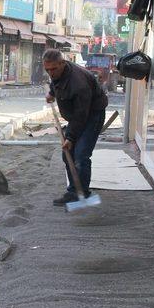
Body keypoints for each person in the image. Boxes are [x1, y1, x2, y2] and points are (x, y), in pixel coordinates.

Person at [43, 49, 108, 206]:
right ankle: (74, 191)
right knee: (68, 154)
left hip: (92, 115)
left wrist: (71, 137)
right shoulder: (58, 72)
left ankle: (83, 194)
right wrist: (52, 93)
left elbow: (81, 115)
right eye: (47, 70)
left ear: (63, 64)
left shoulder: (78, 84)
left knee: (81, 154)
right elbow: (56, 82)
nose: (50, 73)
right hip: (77, 117)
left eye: (53, 69)